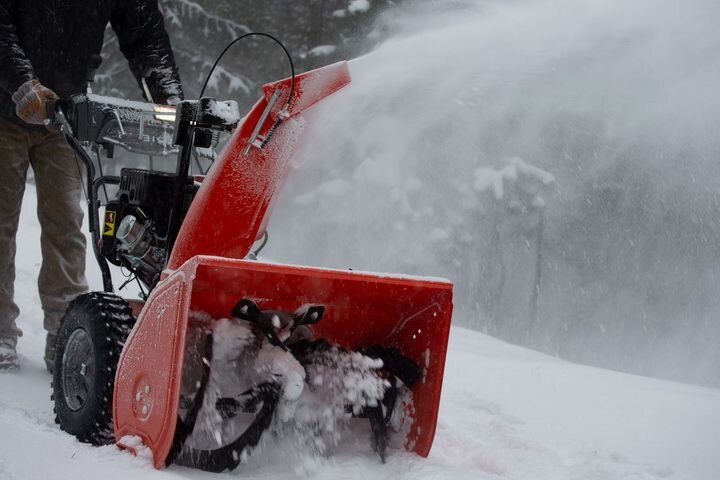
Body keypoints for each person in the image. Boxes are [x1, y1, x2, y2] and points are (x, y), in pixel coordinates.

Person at [0, 0, 183, 372]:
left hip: (65, 112)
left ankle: (65, 335)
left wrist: (168, 96)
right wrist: (22, 84)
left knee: (66, 225)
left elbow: (143, 31)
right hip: (5, 108)